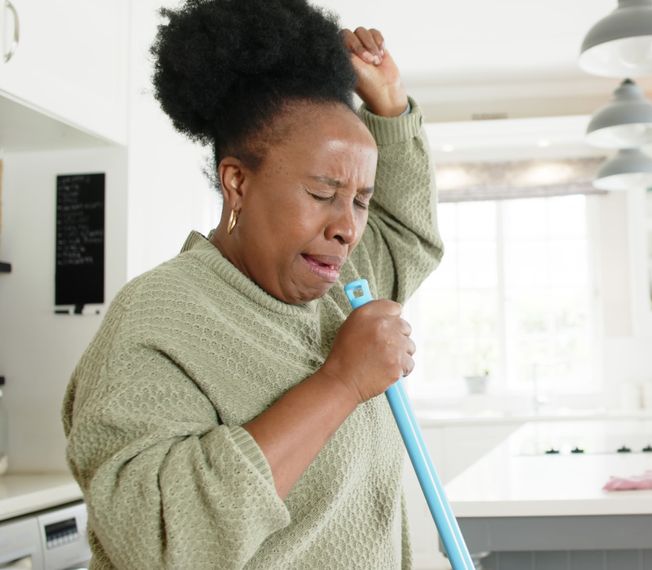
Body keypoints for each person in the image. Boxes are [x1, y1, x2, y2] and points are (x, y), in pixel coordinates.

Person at [61, 0, 442, 567]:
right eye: (321, 193)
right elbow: (161, 538)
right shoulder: (158, 317)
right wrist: (339, 383)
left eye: (360, 201)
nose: (346, 228)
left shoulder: (341, 287)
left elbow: (408, 234)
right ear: (237, 183)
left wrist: (389, 106)